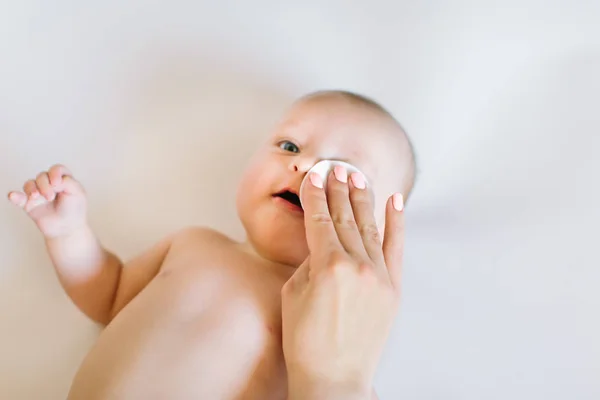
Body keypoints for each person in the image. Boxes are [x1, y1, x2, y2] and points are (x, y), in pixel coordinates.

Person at [7, 90, 416, 399]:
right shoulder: (193, 245)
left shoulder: (324, 319)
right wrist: (68, 233)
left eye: (343, 173)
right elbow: (110, 295)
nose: (304, 166)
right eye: (289, 146)